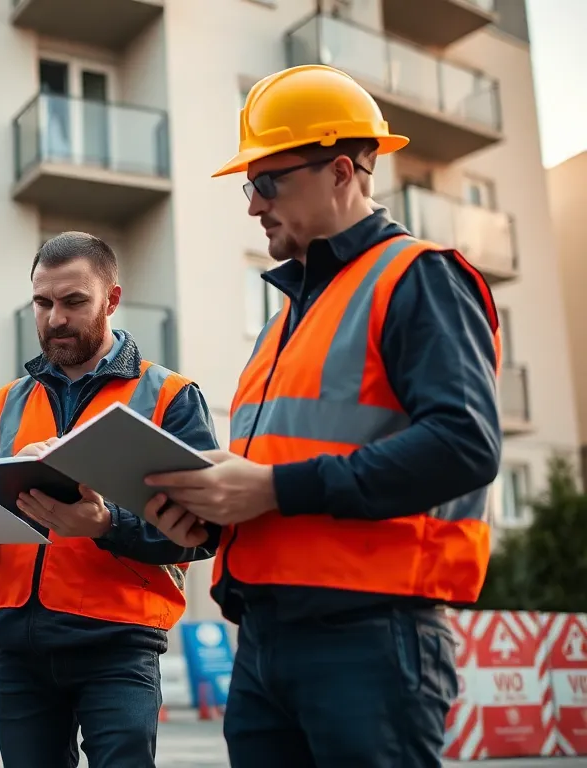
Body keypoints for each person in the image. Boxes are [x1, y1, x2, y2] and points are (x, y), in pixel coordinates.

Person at [143, 64, 503, 768]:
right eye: (251, 186)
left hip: (371, 638)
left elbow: (465, 445)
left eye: (269, 182)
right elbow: (278, 477)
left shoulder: (418, 277)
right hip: (266, 641)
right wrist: (208, 514)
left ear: (341, 172)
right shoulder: (284, 322)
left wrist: (273, 488)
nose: (254, 205)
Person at [0, 233, 221, 768]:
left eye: (74, 301)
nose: (55, 319)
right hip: (17, 646)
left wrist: (106, 524)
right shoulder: (6, 403)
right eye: (42, 302)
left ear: (111, 300)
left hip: (118, 643)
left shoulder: (168, 396)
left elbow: (204, 529)